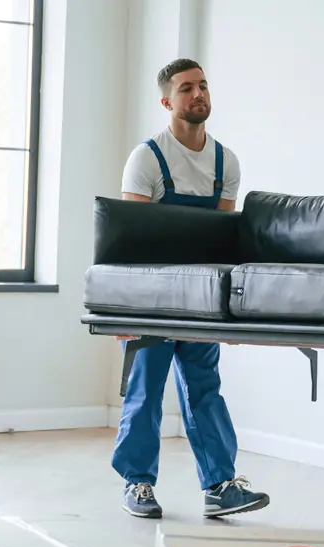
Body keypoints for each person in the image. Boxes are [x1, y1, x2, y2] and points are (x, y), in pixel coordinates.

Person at [114, 58, 270, 520]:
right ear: (167, 101)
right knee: (147, 386)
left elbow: (222, 239)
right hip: (154, 294)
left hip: (200, 295)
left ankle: (220, 484)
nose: (198, 94)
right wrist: (128, 311)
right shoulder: (147, 158)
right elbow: (131, 238)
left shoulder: (227, 162)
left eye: (202, 86)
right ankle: (137, 483)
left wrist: (226, 311)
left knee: (205, 387)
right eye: (186, 88)